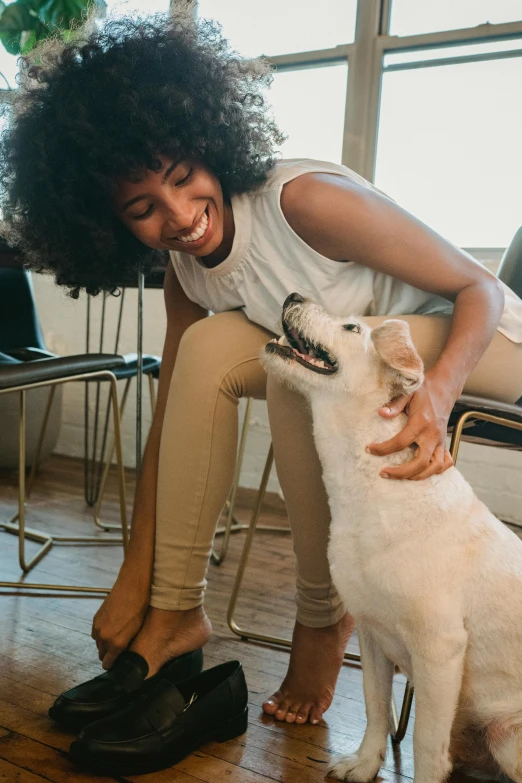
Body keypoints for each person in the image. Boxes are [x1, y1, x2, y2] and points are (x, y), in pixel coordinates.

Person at [2, 10, 522, 729]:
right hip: (355, 350)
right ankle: (176, 613)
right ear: (108, 222)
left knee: (294, 365)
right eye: (144, 209)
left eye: (185, 178)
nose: (181, 216)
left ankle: (322, 617)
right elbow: (172, 411)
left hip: (490, 346)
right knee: (215, 356)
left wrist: (437, 393)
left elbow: (481, 287)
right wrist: (135, 576)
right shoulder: (187, 275)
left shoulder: (303, 202)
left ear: (211, 142)